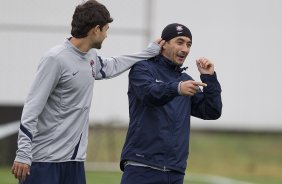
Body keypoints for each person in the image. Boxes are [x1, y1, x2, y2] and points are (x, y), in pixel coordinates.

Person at [11, 0, 164, 183]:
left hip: (74, 162)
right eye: (106, 30)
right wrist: (23, 153)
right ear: (96, 29)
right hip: (45, 161)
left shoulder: (90, 57)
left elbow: (112, 65)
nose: (107, 35)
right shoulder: (55, 59)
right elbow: (32, 107)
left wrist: (148, 52)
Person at [120, 23, 222, 184]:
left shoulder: (185, 80)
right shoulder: (142, 69)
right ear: (164, 44)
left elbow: (211, 111)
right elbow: (149, 94)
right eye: (179, 42)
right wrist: (177, 88)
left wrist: (209, 78)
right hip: (142, 166)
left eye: (189, 44)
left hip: (175, 171)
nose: (185, 49)